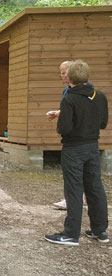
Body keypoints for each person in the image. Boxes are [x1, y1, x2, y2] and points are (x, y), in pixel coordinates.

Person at [44, 60, 109, 246]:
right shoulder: (100, 96)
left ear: (70, 77)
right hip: (92, 146)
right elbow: (103, 123)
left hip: (73, 149)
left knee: (73, 189)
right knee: (95, 188)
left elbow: (64, 128)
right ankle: (100, 231)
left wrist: (62, 119)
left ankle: (71, 234)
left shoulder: (70, 99)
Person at [47, 61, 90, 210]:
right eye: (61, 73)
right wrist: (58, 113)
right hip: (76, 139)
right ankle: (75, 197)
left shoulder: (86, 91)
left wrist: (63, 126)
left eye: (65, 73)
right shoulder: (67, 90)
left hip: (78, 139)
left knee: (75, 171)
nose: (62, 76)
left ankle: (73, 200)